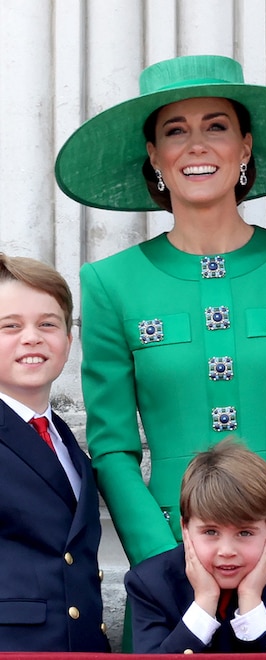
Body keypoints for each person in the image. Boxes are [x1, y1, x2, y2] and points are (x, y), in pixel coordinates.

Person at [54, 54, 266, 652]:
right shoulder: (110, 282)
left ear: (245, 146)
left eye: (216, 125)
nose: (198, 144)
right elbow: (113, 446)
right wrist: (166, 564)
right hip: (169, 568)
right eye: (175, 129)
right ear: (154, 154)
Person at [0, 254, 109, 652]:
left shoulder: (65, 441)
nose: (32, 337)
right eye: (10, 326)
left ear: (68, 340)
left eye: (48, 324)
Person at [125, 440, 266, 653]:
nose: (226, 551)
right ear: (185, 528)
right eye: (211, 532)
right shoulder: (151, 584)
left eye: (244, 533)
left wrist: (251, 600)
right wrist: (204, 602)